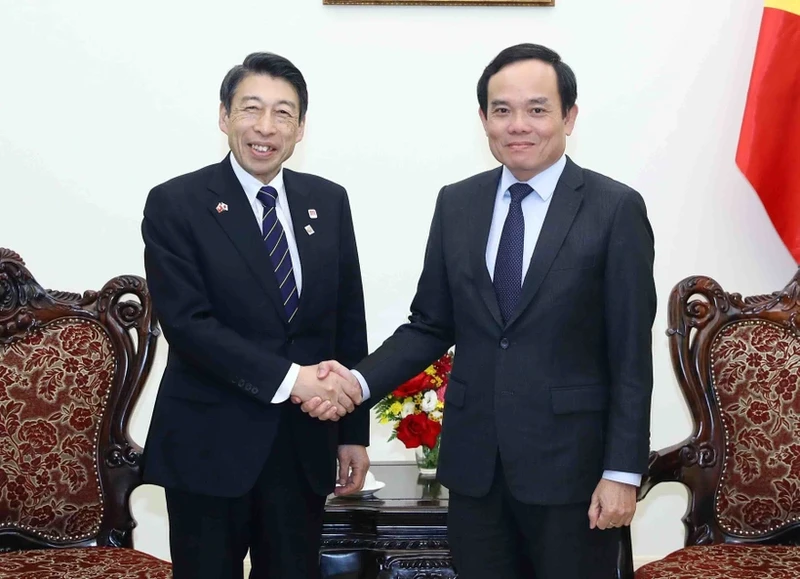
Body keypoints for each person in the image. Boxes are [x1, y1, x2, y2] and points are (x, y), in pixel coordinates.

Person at [308, 43, 656, 579]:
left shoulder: (614, 209)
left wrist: (623, 472)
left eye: (537, 109)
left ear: (569, 116)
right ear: (483, 120)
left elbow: (631, 354)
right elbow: (429, 324)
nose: (519, 124)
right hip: (476, 471)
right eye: (502, 110)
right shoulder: (457, 203)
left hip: (574, 474)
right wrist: (355, 381)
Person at [141, 52, 369, 579]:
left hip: (302, 448)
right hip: (209, 447)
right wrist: (294, 381)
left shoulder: (328, 202)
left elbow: (346, 321)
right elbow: (188, 324)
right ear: (224, 116)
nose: (266, 128)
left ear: (301, 127)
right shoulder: (178, 202)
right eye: (251, 109)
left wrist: (353, 432)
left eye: (283, 113)